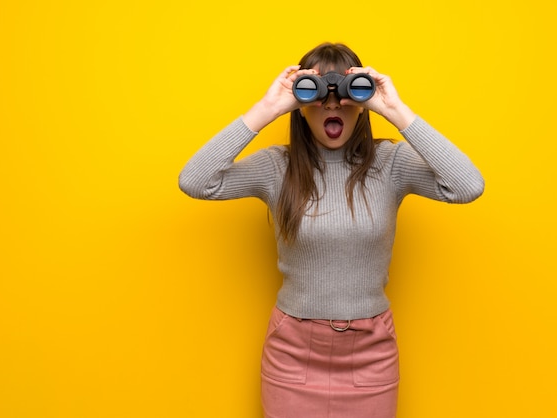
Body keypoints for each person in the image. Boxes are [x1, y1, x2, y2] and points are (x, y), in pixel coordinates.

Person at [178, 42, 484, 418]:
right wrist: (267, 109)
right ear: (301, 105)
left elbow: (468, 186)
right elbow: (196, 181)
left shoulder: (390, 162)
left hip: (370, 353)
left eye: (346, 93)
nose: (332, 103)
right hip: (293, 353)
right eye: (317, 91)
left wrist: (394, 109)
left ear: (362, 101)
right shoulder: (279, 167)